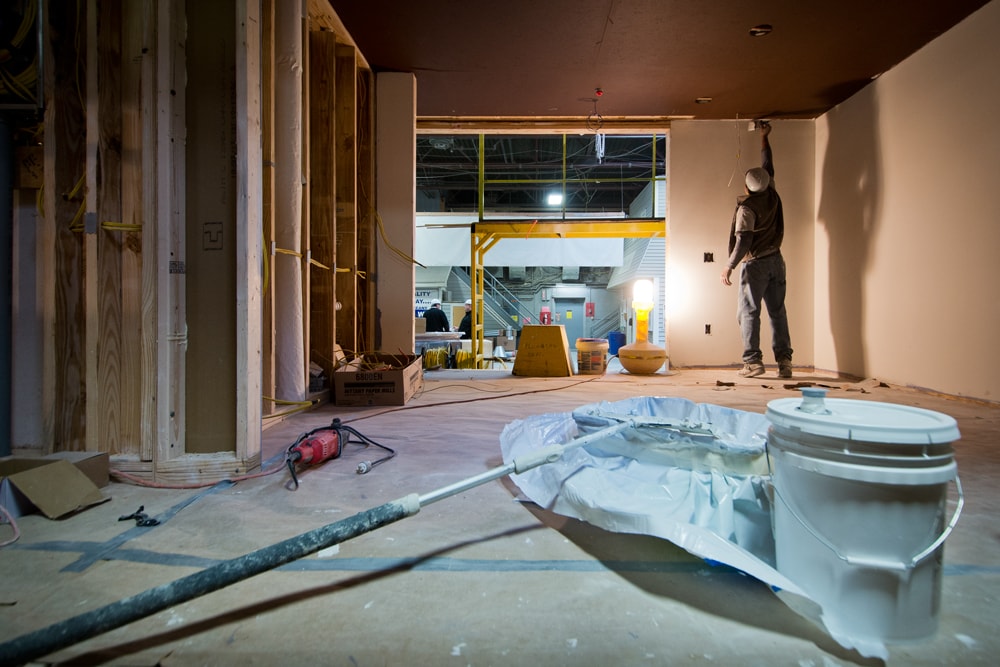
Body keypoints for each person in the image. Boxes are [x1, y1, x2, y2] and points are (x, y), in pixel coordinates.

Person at [720, 122, 793, 379]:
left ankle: (753, 363)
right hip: (777, 260)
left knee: (749, 312)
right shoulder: (771, 192)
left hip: (757, 265)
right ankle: (785, 363)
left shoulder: (747, 209)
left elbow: (744, 242)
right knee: (777, 311)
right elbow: (768, 164)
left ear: (747, 187)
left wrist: (729, 266)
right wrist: (764, 137)